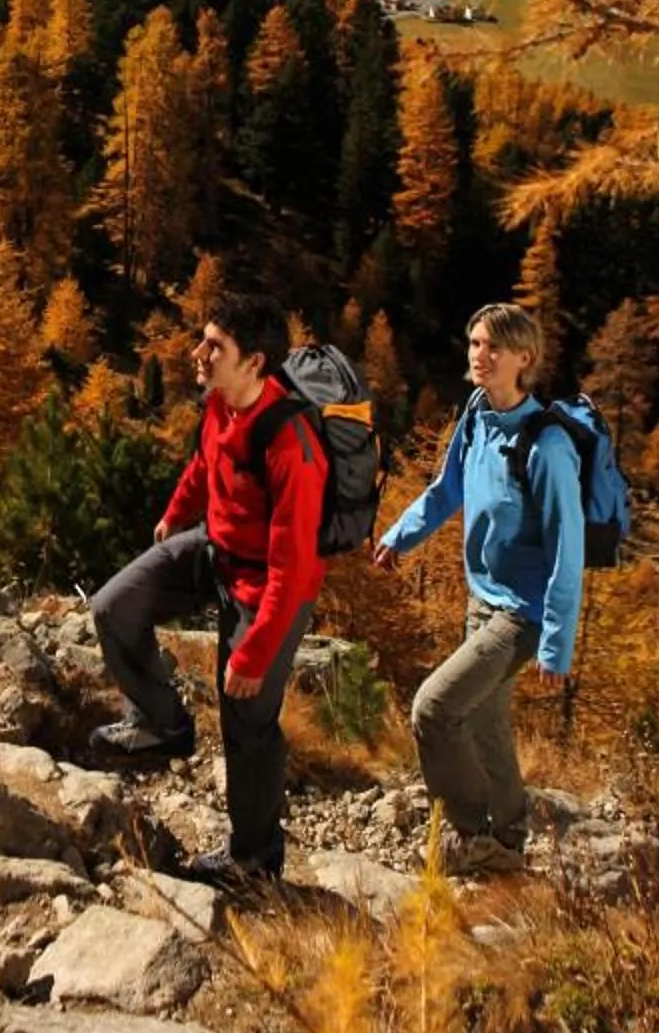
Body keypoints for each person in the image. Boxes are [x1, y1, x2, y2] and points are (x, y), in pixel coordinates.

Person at [89, 293, 323, 891]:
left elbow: (292, 566)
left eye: (214, 347)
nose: (198, 353)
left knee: (247, 715)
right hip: (214, 551)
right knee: (115, 607)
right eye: (204, 339)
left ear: (255, 363)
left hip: (272, 586)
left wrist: (253, 651)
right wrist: (176, 513)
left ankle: (254, 859)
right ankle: (162, 724)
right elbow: (203, 464)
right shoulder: (220, 404)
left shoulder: (290, 443)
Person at [374, 302, 583, 876]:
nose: (479, 355)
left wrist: (557, 641)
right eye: (474, 344)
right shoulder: (477, 414)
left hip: (523, 614)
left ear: (525, 358)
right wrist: (401, 537)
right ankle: (508, 840)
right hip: (482, 598)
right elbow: (447, 489)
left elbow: (570, 548)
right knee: (486, 721)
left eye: (493, 347)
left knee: (434, 709)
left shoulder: (549, 449)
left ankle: (469, 834)